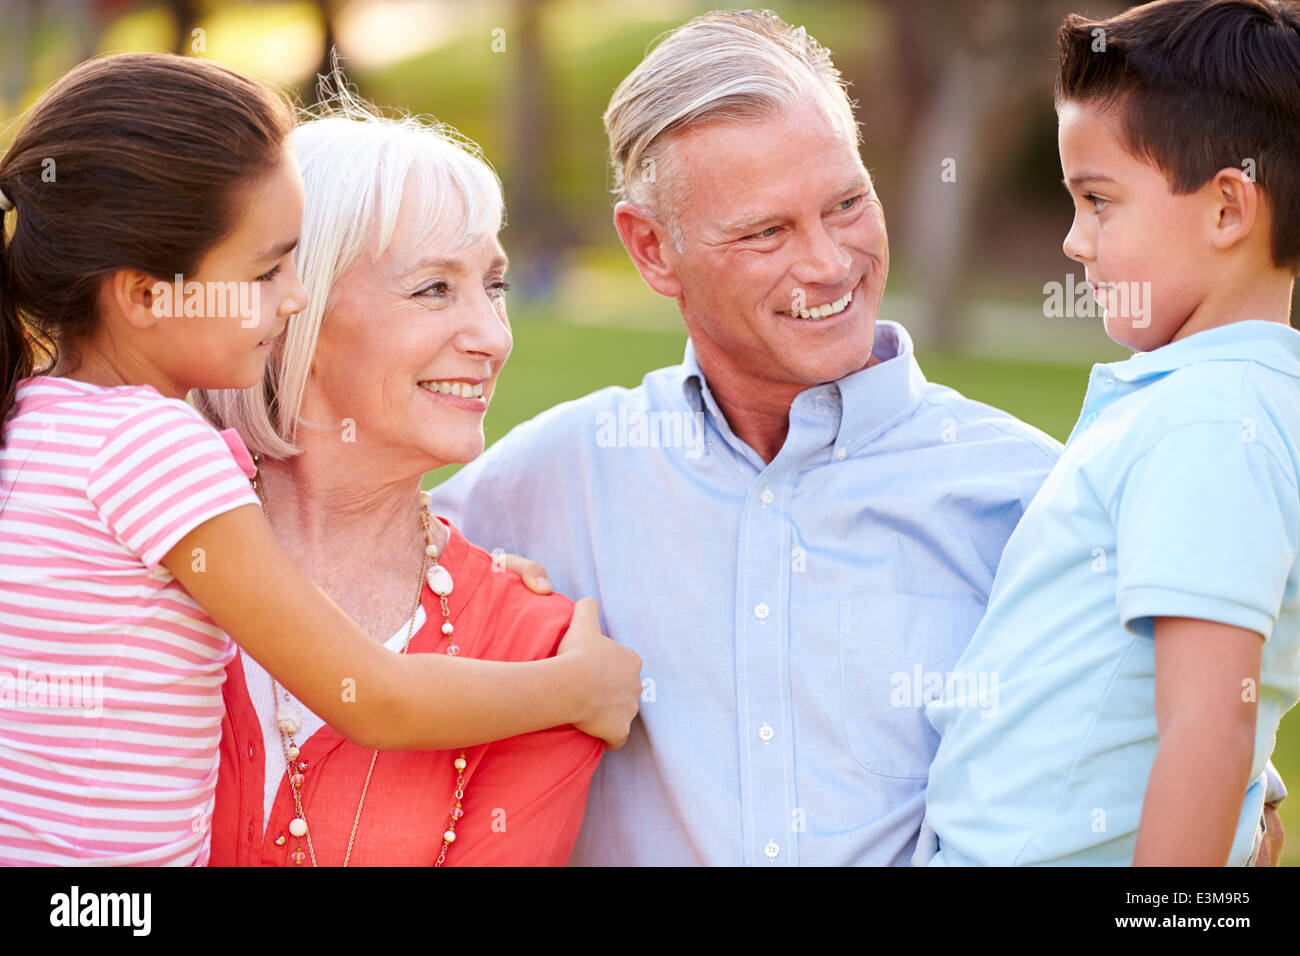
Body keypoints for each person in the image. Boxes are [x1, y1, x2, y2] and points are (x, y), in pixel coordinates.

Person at [431, 7, 1289, 867]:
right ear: (653, 250)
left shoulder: (1032, 493)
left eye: (847, 205)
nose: (829, 264)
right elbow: (328, 607)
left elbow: (1205, 745)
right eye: (767, 231)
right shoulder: (551, 478)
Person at [0, 53, 639, 866]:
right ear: (145, 293)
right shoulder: (164, 464)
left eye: (495, 286)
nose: (289, 296)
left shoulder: (30, 419)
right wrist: (582, 689)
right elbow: (374, 696)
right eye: (267, 271)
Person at [922, 0, 1300, 867]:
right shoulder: (1206, 402)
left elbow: (1210, 722)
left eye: (1098, 203)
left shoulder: (1212, 420)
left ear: (1227, 210)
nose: (1074, 241)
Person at [200, 87, 611, 866]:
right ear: (293, 314)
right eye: (434, 289)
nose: (493, 336)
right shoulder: (140, 558)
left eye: (495, 287)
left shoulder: (540, 654)